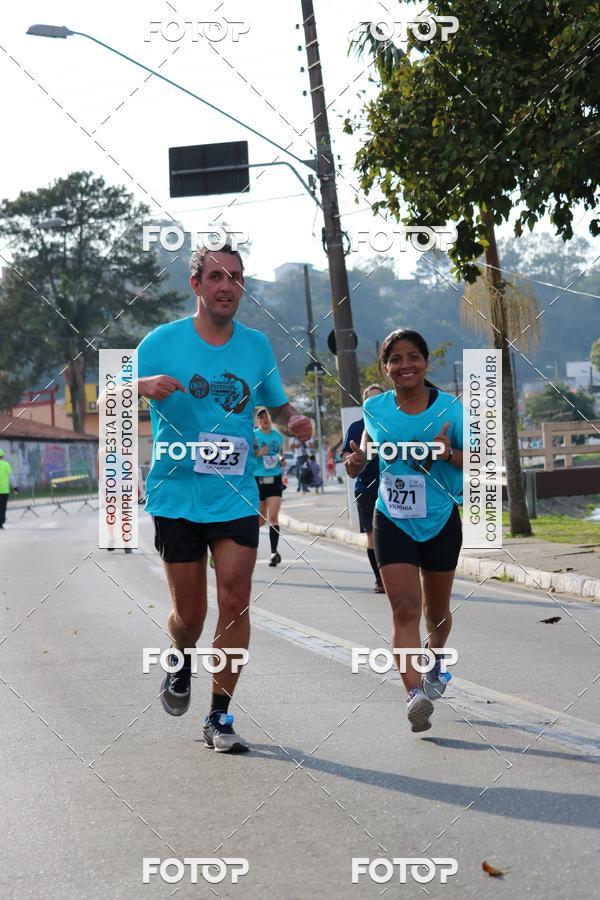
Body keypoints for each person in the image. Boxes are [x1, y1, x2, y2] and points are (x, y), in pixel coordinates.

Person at [136, 244, 311, 753]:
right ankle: (178, 656)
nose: (226, 286)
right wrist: (140, 385)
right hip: (175, 496)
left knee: (234, 602)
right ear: (196, 285)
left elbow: (277, 409)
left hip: (236, 495)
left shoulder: (256, 346)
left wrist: (293, 421)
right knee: (190, 615)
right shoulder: (161, 342)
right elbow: (108, 395)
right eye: (216, 276)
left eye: (235, 277)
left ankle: (219, 716)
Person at [345, 329, 463, 734]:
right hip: (391, 518)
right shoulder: (375, 407)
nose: (405, 365)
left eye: (413, 357)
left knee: (437, 613)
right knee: (405, 608)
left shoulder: (452, 408)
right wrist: (357, 462)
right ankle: (414, 695)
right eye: (395, 359)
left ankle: (437, 654)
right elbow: (364, 450)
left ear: (426, 363)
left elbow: (481, 459)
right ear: (385, 367)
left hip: (440, 517)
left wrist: (449, 453)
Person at [341, 384, 385, 593]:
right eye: (370, 400)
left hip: (394, 487)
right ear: (364, 404)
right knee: (372, 534)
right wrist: (353, 459)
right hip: (366, 489)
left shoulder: (393, 424)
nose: (375, 404)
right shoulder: (357, 428)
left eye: (380, 399)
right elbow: (345, 457)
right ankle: (379, 578)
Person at [254, 407, 286, 567]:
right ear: (257, 421)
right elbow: (248, 457)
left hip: (274, 478)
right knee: (259, 521)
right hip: (257, 479)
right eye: (261, 417)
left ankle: (274, 552)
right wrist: (260, 453)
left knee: (273, 517)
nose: (264, 419)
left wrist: (281, 459)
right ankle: (249, 550)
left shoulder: (278, 437)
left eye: (266, 417)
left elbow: (280, 453)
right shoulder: (253, 436)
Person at [0, 449, 18, 528]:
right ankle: (1, 523)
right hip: (4, 490)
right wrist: (15, 487)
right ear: (2, 456)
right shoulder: (6, 464)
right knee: (2, 507)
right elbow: (11, 477)